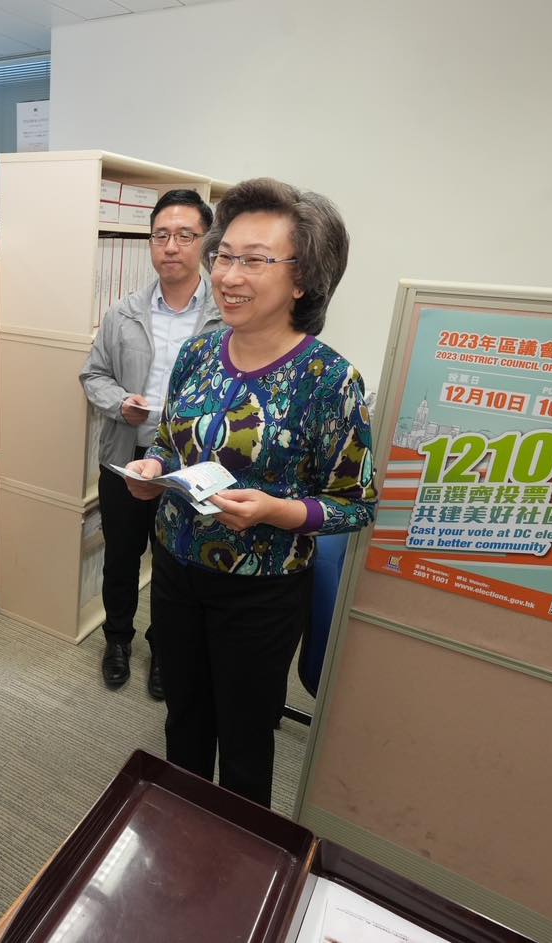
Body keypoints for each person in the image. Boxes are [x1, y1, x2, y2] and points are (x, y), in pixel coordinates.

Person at [121, 177, 378, 807]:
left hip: (261, 592)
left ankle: (237, 850)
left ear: (302, 278)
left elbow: (356, 503)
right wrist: (153, 471)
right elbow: (169, 443)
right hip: (176, 572)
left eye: (254, 260)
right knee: (184, 719)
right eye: (224, 256)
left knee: (243, 742)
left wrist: (276, 511)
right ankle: (181, 826)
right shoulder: (198, 354)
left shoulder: (330, 380)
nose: (228, 276)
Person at [79, 190, 222, 698]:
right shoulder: (123, 312)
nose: (171, 246)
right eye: (161, 235)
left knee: (173, 563)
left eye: (185, 235)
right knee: (121, 557)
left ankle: (165, 649)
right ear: (150, 243)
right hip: (126, 458)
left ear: (206, 242)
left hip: (188, 464)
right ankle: (117, 641)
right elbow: (93, 374)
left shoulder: (225, 316)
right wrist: (121, 403)